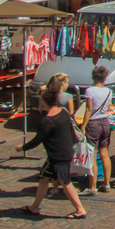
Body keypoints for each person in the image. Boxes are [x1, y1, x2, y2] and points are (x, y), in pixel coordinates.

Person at [20, 74, 87, 219]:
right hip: (62, 153)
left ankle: (80, 209)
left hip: (58, 156)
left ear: (45, 101)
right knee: (44, 179)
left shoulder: (47, 121)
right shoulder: (63, 112)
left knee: (65, 182)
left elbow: (37, 140)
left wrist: (22, 148)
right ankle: (34, 207)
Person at [79, 65, 115, 194]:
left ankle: (92, 186)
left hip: (93, 123)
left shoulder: (90, 91)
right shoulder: (109, 91)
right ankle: (106, 184)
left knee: (92, 156)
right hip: (105, 122)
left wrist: (83, 125)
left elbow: (88, 109)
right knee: (105, 154)